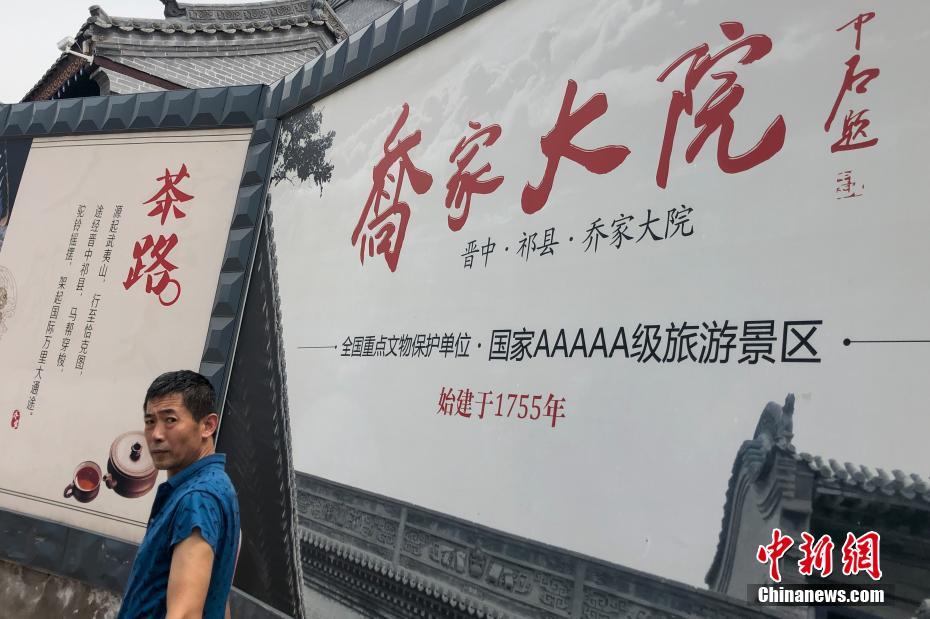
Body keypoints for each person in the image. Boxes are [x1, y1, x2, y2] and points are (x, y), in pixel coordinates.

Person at [118, 370, 240, 619]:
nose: (156, 434)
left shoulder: (198, 498)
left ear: (207, 426)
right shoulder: (218, 484)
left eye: (170, 420)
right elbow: (218, 594)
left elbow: (185, 615)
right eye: (150, 421)